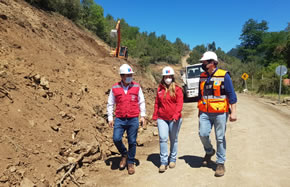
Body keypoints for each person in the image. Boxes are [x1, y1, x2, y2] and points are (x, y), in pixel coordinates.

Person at [197, 51, 237, 177]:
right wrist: (199, 110)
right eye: (203, 62)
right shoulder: (202, 76)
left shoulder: (224, 75)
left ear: (213, 63)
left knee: (220, 138)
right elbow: (200, 95)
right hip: (205, 112)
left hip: (220, 112)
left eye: (205, 62)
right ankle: (209, 151)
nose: (203, 64)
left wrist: (233, 112)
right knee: (202, 134)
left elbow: (231, 95)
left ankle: (220, 163)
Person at [107, 64, 146, 175]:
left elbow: (141, 101)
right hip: (119, 118)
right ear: (122, 76)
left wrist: (142, 116)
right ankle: (124, 153)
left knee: (132, 141)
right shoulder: (115, 87)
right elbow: (110, 103)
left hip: (133, 118)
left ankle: (130, 162)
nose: (129, 77)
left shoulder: (137, 87)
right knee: (116, 139)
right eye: (127, 75)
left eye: (130, 75)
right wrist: (110, 118)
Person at [152, 66, 183, 173]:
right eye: (166, 77)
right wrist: (155, 116)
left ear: (172, 77)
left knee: (173, 139)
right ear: (163, 77)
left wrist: (176, 115)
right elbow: (157, 103)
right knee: (163, 138)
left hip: (174, 119)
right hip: (162, 118)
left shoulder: (177, 89)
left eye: (170, 76)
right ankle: (163, 162)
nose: (168, 78)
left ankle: (173, 159)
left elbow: (179, 104)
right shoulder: (159, 89)